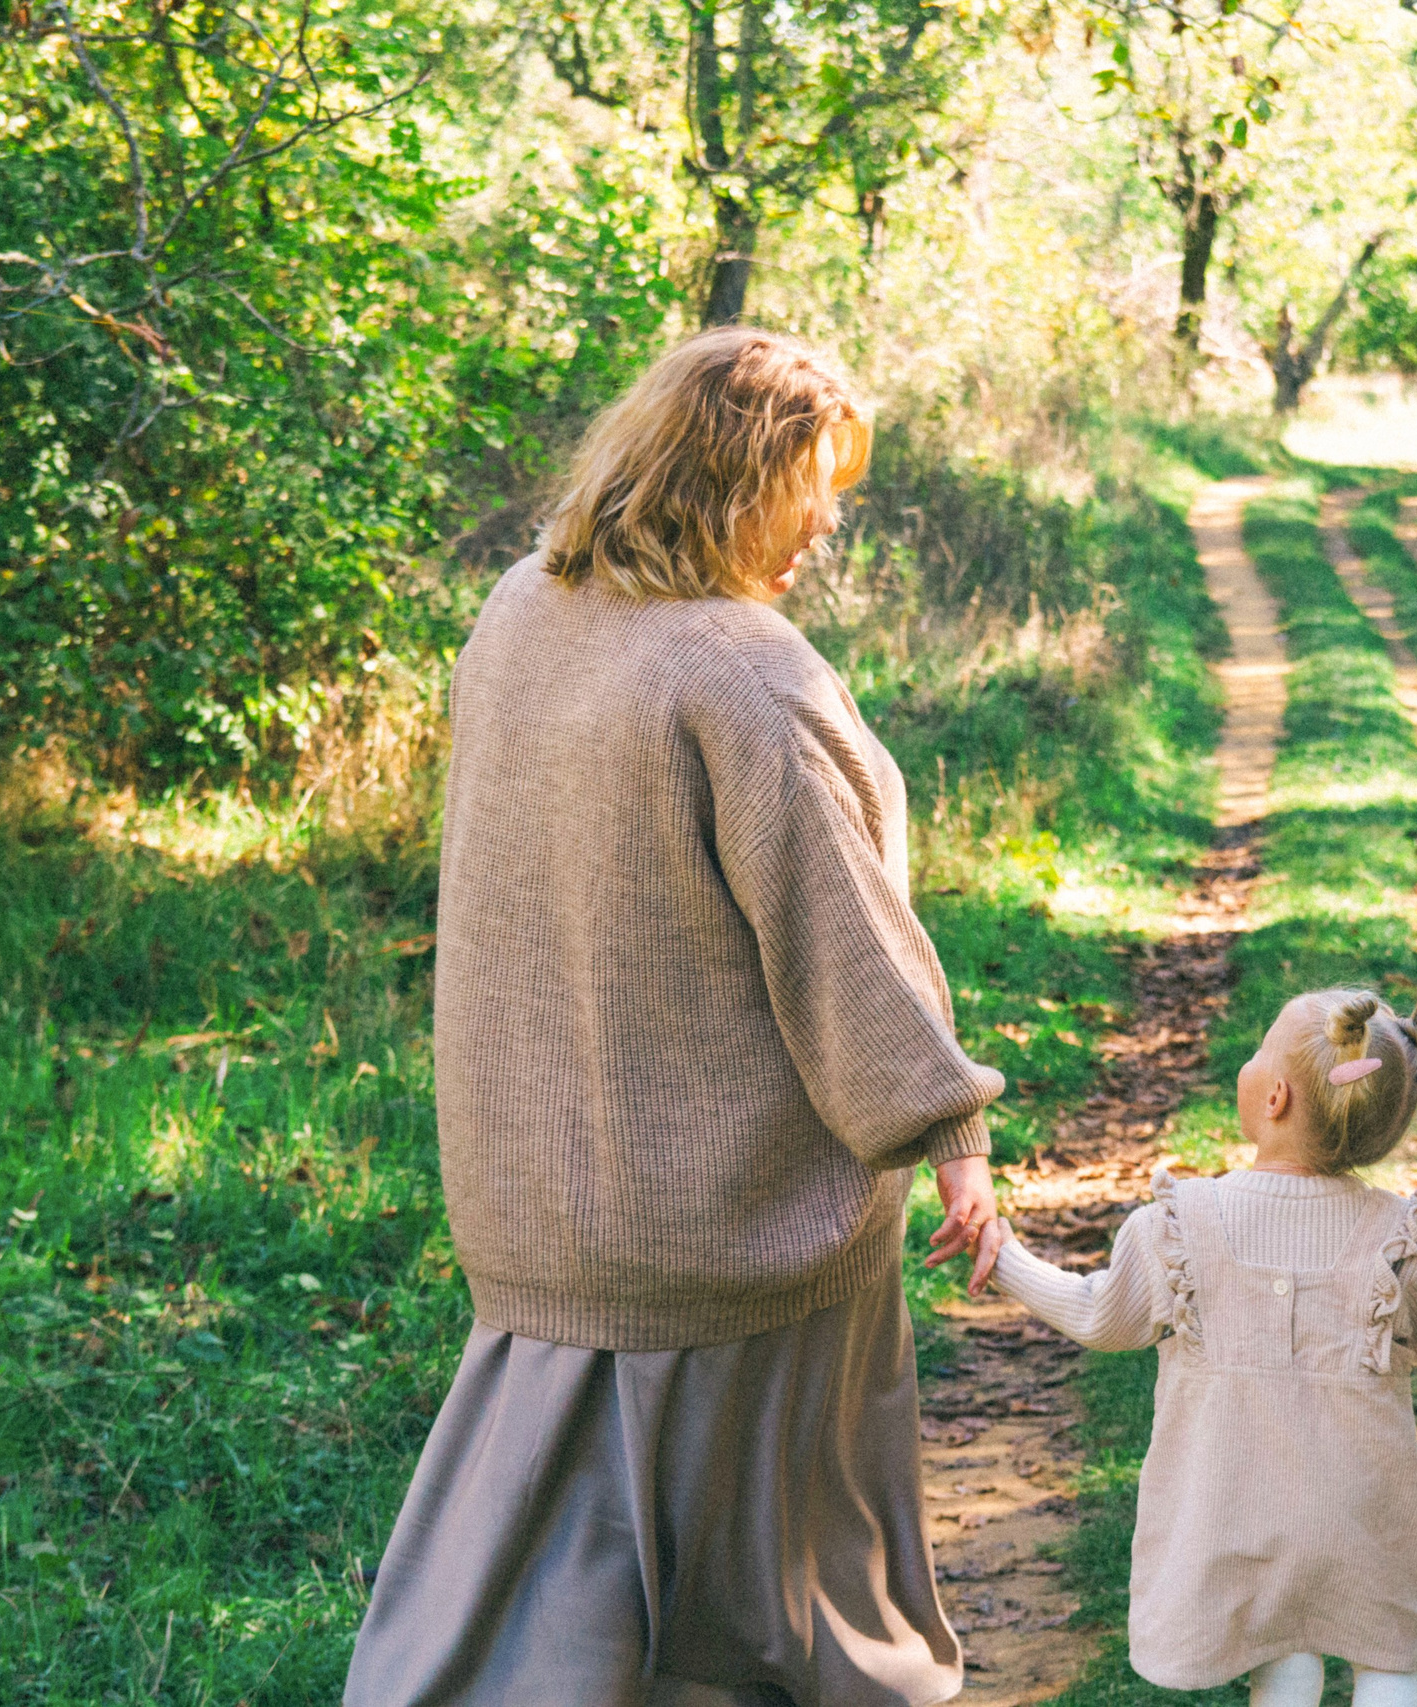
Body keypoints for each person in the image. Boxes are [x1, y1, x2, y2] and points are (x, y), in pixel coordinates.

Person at [345, 327, 1009, 1707]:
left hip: (544, 1205)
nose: (825, 523)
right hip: (730, 1230)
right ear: (724, 479)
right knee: (796, 1614)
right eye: (806, 485)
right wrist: (951, 1130)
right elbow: (848, 940)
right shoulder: (741, 673)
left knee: (543, 1620)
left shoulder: (521, 605)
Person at [963, 990, 1417, 1707]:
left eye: (1256, 1049)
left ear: (1276, 1097)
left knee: (1281, 1655)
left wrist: (1003, 1258)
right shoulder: (1394, 1239)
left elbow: (1099, 1314)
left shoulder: (1179, 1228)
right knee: (1388, 1655)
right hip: (1365, 1522)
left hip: (1239, 1522)